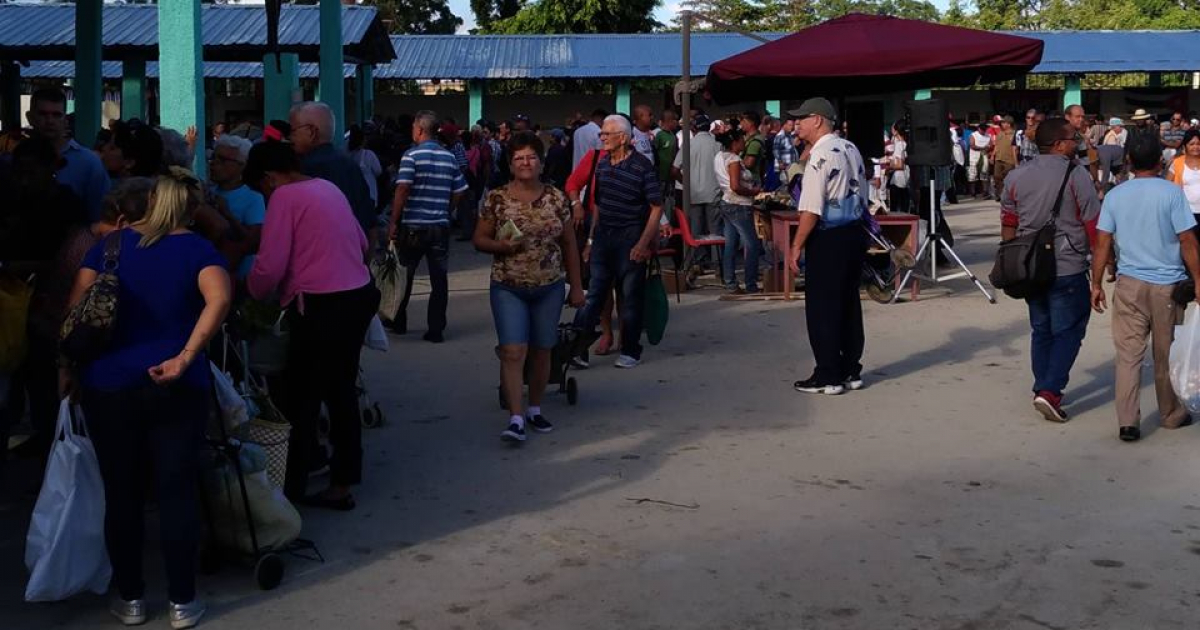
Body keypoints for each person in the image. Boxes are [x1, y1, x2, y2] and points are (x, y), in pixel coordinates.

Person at [67, 167, 232, 630]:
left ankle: (132, 599)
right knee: (177, 491)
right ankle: (182, 602)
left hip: (109, 384)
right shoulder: (198, 248)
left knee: (122, 493)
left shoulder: (108, 247)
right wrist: (185, 355)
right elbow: (219, 298)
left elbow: (75, 311)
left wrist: (68, 370)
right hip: (178, 384)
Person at [245, 140, 380, 508]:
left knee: (299, 400)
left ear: (269, 178)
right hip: (357, 295)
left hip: (320, 306)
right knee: (341, 392)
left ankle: (292, 488)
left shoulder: (285, 198)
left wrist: (250, 293)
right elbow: (360, 242)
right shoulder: (327, 187)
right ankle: (342, 481)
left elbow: (269, 267)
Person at [473, 132, 585, 443]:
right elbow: (478, 239)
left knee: (542, 348)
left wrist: (576, 287)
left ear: (541, 162)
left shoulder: (556, 198)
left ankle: (535, 407)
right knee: (513, 350)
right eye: (519, 158)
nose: (526, 163)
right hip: (508, 286)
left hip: (549, 286)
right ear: (510, 164)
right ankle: (516, 417)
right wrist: (500, 246)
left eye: (531, 157)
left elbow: (569, 244)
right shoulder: (496, 199)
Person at [1091, 136, 1200, 442]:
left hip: (1128, 284)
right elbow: (1188, 241)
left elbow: (1102, 242)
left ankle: (1128, 421)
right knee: (1165, 354)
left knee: (1127, 355)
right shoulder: (1172, 193)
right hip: (1167, 285)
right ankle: (1169, 413)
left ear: (1128, 161)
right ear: (1160, 161)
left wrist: (1095, 284)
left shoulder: (1115, 195)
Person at [1000, 118, 1101, 423]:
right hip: (1067, 265)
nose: (1078, 142)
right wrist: (1102, 264)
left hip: (1030, 267)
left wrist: (1012, 260)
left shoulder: (1016, 176)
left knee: (1041, 329)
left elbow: (1008, 224)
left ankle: (1041, 386)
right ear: (1058, 144)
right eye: (1073, 138)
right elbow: (1093, 225)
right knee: (1069, 330)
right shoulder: (1077, 174)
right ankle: (1051, 391)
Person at [0, 136, 87, 458]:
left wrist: (19, 266)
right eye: (19, 173)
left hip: (49, 305)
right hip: (11, 303)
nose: (25, 180)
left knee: (42, 383)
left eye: (31, 172)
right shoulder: (12, 200)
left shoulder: (66, 205)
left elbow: (69, 258)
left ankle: (50, 444)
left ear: (52, 169)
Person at [786, 98, 869, 396]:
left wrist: (797, 245)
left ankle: (828, 374)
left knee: (823, 307)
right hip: (854, 232)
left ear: (818, 120)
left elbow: (810, 209)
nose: (798, 124)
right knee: (848, 302)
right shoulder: (850, 148)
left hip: (829, 236)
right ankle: (850, 369)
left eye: (802, 118)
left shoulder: (820, 156)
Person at [573, 115, 663, 369]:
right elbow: (599, 205)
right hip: (604, 237)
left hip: (631, 236)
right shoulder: (602, 165)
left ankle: (630, 350)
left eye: (606, 134)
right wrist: (591, 240)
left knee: (630, 296)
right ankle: (578, 348)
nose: (601, 138)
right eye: (601, 134)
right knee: (595, 295)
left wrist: (643, 244)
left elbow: (656, 207)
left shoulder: (642, 167)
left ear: (622, 138)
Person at [387, 111, 469, 342]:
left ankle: (398, 321)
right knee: (439, 279)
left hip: (413, 226)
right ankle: (436, 329)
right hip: (439, 228)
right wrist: (446, 210)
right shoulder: (448, 157)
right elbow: (460, 190)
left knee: (405, 276)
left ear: (420, 130)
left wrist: (394, 221)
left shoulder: (411, 156)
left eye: (414, 128)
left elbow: (402, 189)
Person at [288, 102, 375, 234]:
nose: (289, 138)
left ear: (311, 132)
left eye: (292, 131)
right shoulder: (350, 166)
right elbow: (368, 221)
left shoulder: (304, 169)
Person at [26, 88, 110, 219]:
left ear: (65, 119)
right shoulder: (16, 160)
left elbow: (100, 217)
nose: (50, 121)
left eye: (56, 115)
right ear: (30, 117)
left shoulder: (88, 163)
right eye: (43, 114)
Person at [672, 113, 724, 273]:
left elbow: (674, 170)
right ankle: (718, 265)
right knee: (715, 231)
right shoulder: (717, 145)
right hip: (713, 192)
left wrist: (686, 184)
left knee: (695, 231)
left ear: (694, 128)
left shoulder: (688, 144)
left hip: (693, 194)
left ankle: (697, 263)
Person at [209, 134, 265, 280]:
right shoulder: (208, 192)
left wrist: (227, 215)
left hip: (241, 277)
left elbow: (254, 242)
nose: (214, 164)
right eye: (213, 158)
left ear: (242, 165)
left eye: (222, 160)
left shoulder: (253, 198)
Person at [714, 128, 763, 294]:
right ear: (735, 143)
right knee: (752, 243)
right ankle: (750, 283)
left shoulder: (719, 157)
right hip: (739, 204)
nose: (744, 142)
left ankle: (730, 281)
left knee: (731, 244)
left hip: (726, 201)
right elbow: (735, 186)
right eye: (742, 140)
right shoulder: (734, 160)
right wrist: (753, 192)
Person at [1168, 129, 1200, 227]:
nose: (1196, 147)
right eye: (1191, 144)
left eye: (1198, 144)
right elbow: (1167, 185)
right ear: (1185, 146)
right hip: (1185, 211)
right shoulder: (1177, 163)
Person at [885, 120, 910, 213]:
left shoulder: (899, 145)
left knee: (895, 209)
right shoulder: (906, 143)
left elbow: (900, 165)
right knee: (904, 206)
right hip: (906, 178)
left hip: (897, 180)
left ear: (896, 130)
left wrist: (889, 167)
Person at [992, 116, 1018, 203]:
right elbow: (996, 146)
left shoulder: (1015, 134)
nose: (1002, 125)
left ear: (1009, 124)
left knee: (1008, 178)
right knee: (997, 176)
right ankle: (999, 194)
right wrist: (992, 156)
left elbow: (1016, 148)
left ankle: (1008, 195)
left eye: (1003, 123)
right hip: (999, 158)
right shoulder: (1000, 134)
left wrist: (1016, 161)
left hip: (1009, 160)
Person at [738, 111, 766, 184]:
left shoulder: (755, 141)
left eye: (743, 121)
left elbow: (749, 163)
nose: (741, 124)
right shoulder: (749, 139)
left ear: (751, 123)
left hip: (751, 181)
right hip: (747, 180)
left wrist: (734, 162)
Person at [968, 123, 992, 198]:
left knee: (984, 174)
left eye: (985, 130)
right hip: (974, 157)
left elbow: (990, 145)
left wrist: (988, 148)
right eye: (982, 130)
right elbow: (972, 145)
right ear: (978, 129)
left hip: (984, 156)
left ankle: (985, 191)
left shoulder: (988, 135)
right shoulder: (973, 135)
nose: (983, 131)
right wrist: (983, 148)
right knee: (973, 174)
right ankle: (973, 192)